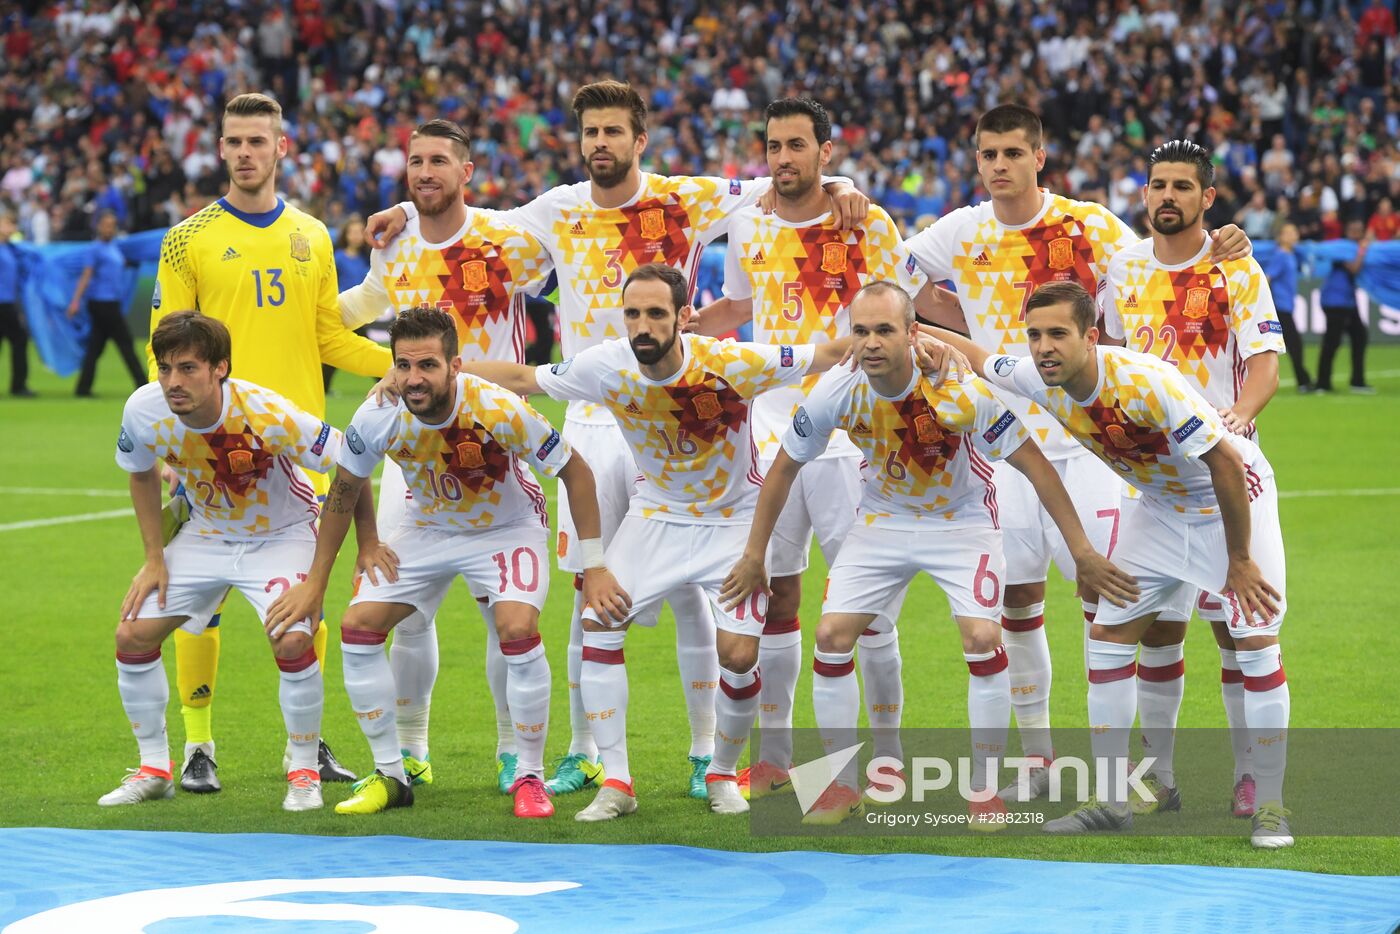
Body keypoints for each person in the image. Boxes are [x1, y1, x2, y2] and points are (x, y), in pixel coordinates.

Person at [367, 79, 869, 801]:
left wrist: (844, 180)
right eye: (589, 132)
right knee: (591, 588)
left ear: (639, 140)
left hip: (677, 408)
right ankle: (585, 753)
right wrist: (411, 208)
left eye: (613, 131)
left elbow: (780, 184)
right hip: (595, 414)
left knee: (697, 593)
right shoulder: (555, 209)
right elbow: (470, 225)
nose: (599, 143)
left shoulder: (686, 197)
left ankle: (704, 755)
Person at [905, 104, 1252, 800]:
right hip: (1001, 447)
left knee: (1113, 600)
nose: (998, 165)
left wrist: (1221, 244)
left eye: (1011, 152)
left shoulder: (1088, 224)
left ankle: (1141, 771)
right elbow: (891, 279)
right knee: (1017, 600)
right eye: (987, 154)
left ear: (1040, 156)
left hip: (1090, 449)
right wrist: (947, 317)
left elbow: (1160, 262)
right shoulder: (961, 230)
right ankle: (1038, 761)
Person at [720, 281, 1134, 828]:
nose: (870, 343)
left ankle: (983, 791)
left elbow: (1034, 465)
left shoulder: (957, 389)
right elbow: (782, 469)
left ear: (912, 333)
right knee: (830, 636)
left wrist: (1081, 550)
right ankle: (841, 786)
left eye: (885, 330)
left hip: (962, 523)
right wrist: (755, 554)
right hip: (881, 521)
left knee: (984, 638)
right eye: (860, 331)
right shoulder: (834, 392)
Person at [464, 262, 865, 820]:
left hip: (732, 522)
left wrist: (907, 335)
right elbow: (526, 378)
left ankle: (723, 772)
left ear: (683, 317)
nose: (643, 326)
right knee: (598, 622)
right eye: (633, 314)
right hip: (656, 516)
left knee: (740, 653)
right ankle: (619, 784)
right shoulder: (606, 366)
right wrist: (444, 372)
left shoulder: (731, 363)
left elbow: (824, 354)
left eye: (656, 314)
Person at [929, 281, 1292, 849]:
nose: (1043, 347)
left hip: (1234, 500)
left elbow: (1224, 461)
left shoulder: (1143, 381)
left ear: (1091, 336)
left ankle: (1271, 806)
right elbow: (977, 357)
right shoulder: (1036, 374)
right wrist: (908, 329)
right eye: (1035, 335)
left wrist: (1239, 561)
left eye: (1057, 334)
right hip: (1161, 509)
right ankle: (1111, 800)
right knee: (1109, 636)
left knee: (1255, 641)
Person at [691, 97, 956, 801]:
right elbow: (743, 309)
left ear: (826, 152)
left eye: (797, 145)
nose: (784, 158)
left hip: (853, 436)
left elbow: (904, 314)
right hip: (770, 427)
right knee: (778, 599)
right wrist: (698, 328)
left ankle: (888, 757)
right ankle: (775, 759)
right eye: (774, 146)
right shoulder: (746, 225)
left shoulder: (865, 219)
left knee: (864, 608)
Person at [264, 306, 625, 820]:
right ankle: (391, 773)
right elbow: (345, 487)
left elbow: (576, 472)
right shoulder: (377, 412)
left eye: (428, 365)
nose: (414, 378)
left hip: (506, 528)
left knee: (517, 628)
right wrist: (322, 579)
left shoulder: (499, 407)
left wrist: (595, 566)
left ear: (455, 366)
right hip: (425, 528)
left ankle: (527, 775)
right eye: (404, 365)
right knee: (357, 626)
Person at [148, 92, 393, 796]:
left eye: (259, 140)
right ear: (220, 149)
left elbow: (328, 337)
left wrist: (397, 366)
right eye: (235, 142)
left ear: (283, 148)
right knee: (200, 601)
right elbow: (163, 348)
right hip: (209, 450)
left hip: (297, 448)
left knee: (303, 597)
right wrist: (170, 440)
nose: (246, 152)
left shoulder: (312, 236)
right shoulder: (186, 238)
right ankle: (198, 747)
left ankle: (306, 751)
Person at [337, 119, 554, 793]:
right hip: (415, 451)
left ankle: (511, 754)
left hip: (495, 441)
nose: (424, 171)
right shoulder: (395, 245)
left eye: (438, 161)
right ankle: (411, 749)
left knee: (506, 616)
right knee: (407, 610)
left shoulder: (508, 238)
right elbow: (367, 303)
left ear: (468, 171)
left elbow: (576, 259)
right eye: (414, 162)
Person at [100, 311, 353, 813]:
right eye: (166, 369)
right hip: (205, 535)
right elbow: (140, 472)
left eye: (188, 368)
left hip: (281, 535)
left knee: (293, 638)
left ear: (221, 369)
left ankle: (303, 770)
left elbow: (351, 464)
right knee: (131, 635)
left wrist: (341, 564)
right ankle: (154, 770)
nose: (174, 381)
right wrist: (154, 557)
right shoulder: (143, 409)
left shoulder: (266, 412)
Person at [1099, 139, 1284, 818]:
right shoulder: (1121, 269)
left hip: (1222, 475)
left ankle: (1250, 779)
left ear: (1208, 198)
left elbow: (1264, 361)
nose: (1167, 196)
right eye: (1157, 185)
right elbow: (1116, 360)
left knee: (1237, 630)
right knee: (1153, 631)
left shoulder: (1236, 269)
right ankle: (1159, 779)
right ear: (1143, 194)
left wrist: (1236, 418)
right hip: (1149, 483)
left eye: (1182, 186)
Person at [70, 211, 146, 397]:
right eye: (106, 225)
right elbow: (86, 275)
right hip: (102, 303)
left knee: (95, 346)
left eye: (112, 225)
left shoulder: (114, 248)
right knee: (125, 343)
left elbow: (117, 267)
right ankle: (143, 385)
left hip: (110, 302)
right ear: (98, 226)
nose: (109, 228)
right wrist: (75, 301)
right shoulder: (95, 249)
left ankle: (82, 388)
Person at [1314, 219, 1374, 394]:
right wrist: (1363, 250)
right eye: (1353, 230)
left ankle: (1357, 381)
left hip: (1347, 301)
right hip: (1335, 301)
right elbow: (1354, 268)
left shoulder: (1348, 249)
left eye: (1359, 230)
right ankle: (1322, 384)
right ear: (1347, 231)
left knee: (1359, 337)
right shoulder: (1344, 250)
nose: (1356, 233)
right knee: (1332, 342)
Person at [322, 213, 373, 393]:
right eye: (353, 232)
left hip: (360, 309)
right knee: (363, 346)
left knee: (341, 351)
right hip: (343, 309)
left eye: (360, 232)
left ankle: (323, 387)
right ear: (346, 235)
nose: (357, 236)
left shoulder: (366, 257)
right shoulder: (339, 258)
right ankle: (386, 379)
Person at [1260, 224, 1313, 391]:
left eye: (1294, 231)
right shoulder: (1281, 255)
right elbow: (1267, 277)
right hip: (1279, 307)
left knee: (1291, 344)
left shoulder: (1291, 255)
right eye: (1288, 232)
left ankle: (1303, 380)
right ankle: (1303, 381)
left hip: (1286, 306)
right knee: (1294, 344)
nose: (1293, 235)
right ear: (1281, 237)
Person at [0, 213, 32, 397]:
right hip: (2, 303)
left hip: (7, 302)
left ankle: (18, 384)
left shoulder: (10, 249)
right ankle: (18, 385)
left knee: (16, 340)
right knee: (19, 339)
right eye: (7, 224)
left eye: (13, 224)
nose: (12, 228)